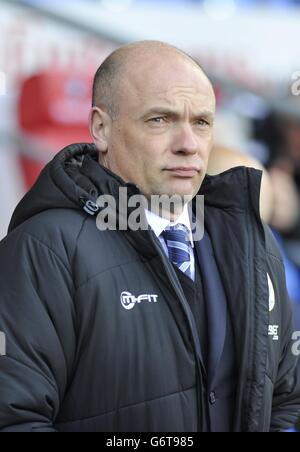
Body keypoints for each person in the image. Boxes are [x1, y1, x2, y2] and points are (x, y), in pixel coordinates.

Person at [0, 41, 299, 432]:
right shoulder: (42, 250)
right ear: (100, 128)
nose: (188, 144)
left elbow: (287, 399)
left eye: (202, 123)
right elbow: (14, 420)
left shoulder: (252, 242)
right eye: (160, 119)